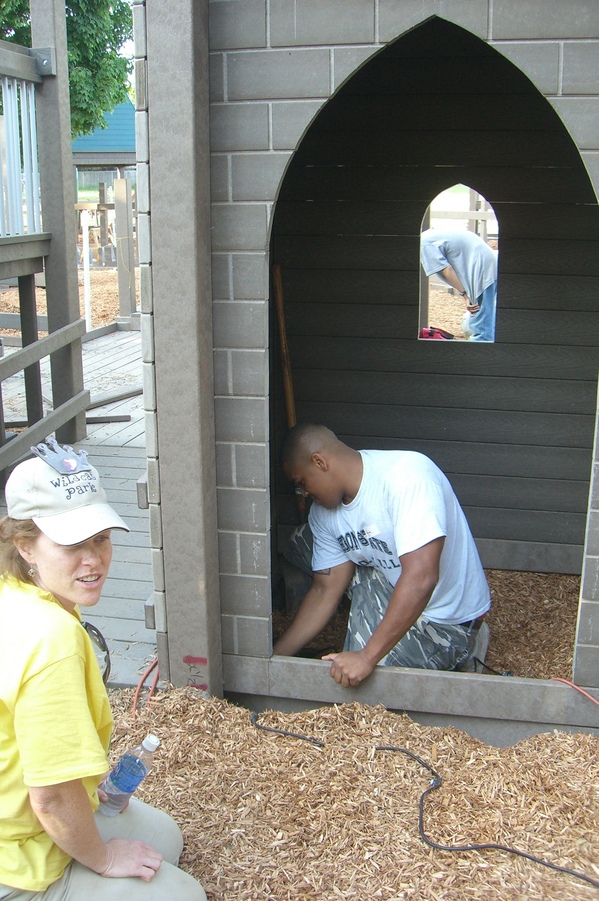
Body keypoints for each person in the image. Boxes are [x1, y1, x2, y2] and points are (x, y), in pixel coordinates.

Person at [0, 439, 206, 901]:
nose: (93, 559)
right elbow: (51, 796)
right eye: (72, 543)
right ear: (25, 546)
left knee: (165, 840)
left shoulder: (20, 592)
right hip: (14, 855)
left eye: (100, 538)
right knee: (183, 896)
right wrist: (104, 858)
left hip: (22, 808)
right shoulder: (50, 639)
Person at [273, 424, 490, 688]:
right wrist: (273, 659)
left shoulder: (408, 477)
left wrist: (366, 657)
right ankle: (379, 625)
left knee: (361, 682)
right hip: (394, 584)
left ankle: (466, 650)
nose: (303, 494)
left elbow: (422, 578)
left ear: (319, 462)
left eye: (301, 483)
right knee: (303, 540)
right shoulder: (324, 513)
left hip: (445, 620)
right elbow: (324, 591)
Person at [420, 227, 498, 342]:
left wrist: (465, 295)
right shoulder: (429, 235)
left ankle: (479, 351)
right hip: (487, 261)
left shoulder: (423, 244)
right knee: (487, 316)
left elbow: (447, 270)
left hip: (481, 268)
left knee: (482, 327)